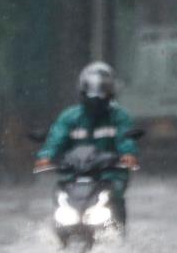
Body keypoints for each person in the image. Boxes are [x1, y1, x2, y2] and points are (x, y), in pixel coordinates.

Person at [34, 62, 139, 224]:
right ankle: (57, 229)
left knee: (115, 194)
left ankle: (117, 233)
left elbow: (125, 139)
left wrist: (127, 155)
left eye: (102, 90)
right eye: (91, 90)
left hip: (109, 175)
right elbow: (56, 138)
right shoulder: (70, 117)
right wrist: (46, 156)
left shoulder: (119, 117)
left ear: (111, 91)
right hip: (74, 176)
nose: (96, 96)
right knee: (59, 193)